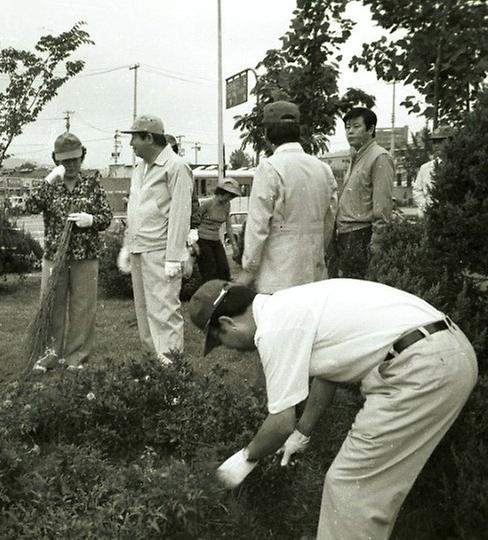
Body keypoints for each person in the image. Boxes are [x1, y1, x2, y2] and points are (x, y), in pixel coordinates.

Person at [187, 278, 477, 539]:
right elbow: (330, 370)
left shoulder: (273, 329)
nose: (230, 350)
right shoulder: (288, 303)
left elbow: (280, 422)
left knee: (350, 489)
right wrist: (303, 431)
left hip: (422, 368)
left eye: (221, 341)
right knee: (369, 490)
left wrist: (244, 459)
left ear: (226, 323)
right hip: (447, 351)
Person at [25, 132, 113, 371]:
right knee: (52, 304)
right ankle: (50, 353)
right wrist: (48, 180)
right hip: (55, 255)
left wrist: (92, 219)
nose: (71, 165)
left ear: (82, 157)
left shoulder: (92, 184)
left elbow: (107, 217)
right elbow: (30, 206)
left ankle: (77, 356)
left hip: (86, 256)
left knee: (83, 307)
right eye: (65, 161)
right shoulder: (51, 185)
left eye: (75, 159)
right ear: (57, 161)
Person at [235, 101, 338, 293]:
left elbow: (258, 226)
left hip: (278, 273)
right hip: (314, 270)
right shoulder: (323, 169)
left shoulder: (269, 167)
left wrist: (249, 267)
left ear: (267, 133)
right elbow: (329, 219)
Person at [116, 114, 193, 360]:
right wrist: (128, 245)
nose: (131, 145)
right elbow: (136, 209)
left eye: (135, 139)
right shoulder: (140, 168)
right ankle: (154, 368)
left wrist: (174, 256)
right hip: (141, 249)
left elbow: (181, 214)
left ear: (149, 138)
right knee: (145, 313)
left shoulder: (176, 167)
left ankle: (171, 375)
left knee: (164, 313)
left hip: (161, 252)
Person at [328, 107, 394, 279]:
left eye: (356, 126)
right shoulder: (356, 156)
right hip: (345, 233)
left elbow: (383, 203)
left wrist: (377, 241)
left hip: (361, 233)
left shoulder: (379, 157)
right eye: (347, 127)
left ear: (371, 129)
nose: (350, 132)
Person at [192, 178, 241, 282]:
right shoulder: (208, 204)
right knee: (210, 270)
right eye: (230, 195)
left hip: (215, 239)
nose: (230, 198)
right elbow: (194, 222)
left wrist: (234, 246)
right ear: (222, 192)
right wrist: (193, 243)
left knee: (224, 269)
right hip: (202, 239)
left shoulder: (227, 205)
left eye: (233, 196)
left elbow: (228, 226)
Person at [413, 125, 454, 217]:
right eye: (434, 142)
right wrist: (427, 207)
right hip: (429, 216)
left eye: (440, 141)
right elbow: (417, 191)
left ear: (450, 142)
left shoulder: (459, 166)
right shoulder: (425, 168)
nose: (436, 145)